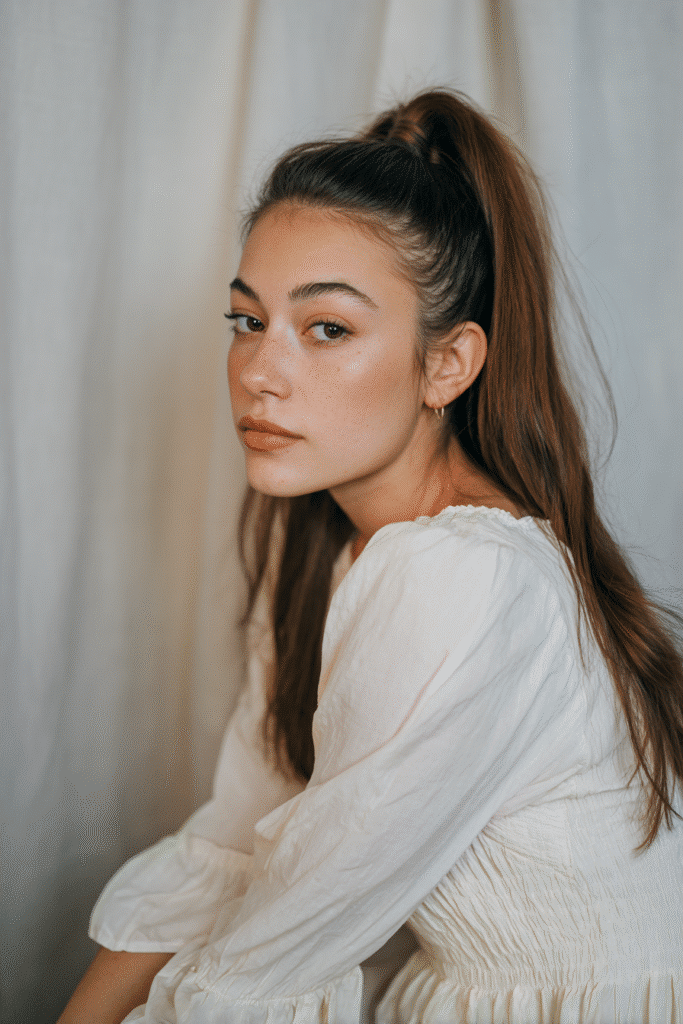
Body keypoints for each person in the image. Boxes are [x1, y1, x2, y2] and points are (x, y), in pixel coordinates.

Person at [58, 88, 683, 1024]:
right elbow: (236, 849)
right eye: (247, 321)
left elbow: (281, 937)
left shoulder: (464, 579)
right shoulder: (339, 555)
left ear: (448, 365)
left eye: (328, 329)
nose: (259, 372)